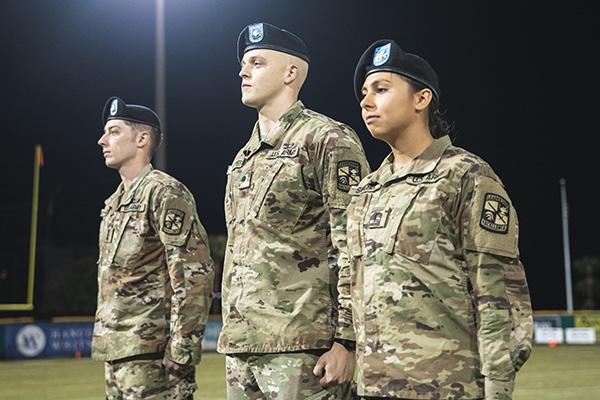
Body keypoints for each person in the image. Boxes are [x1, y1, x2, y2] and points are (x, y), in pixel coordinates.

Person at [337, 40, 533, 399]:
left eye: (381, 89)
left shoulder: (465, 175)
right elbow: (351, 290)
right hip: (370, 390)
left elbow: (498, 296)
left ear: (421, 99)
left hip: (447, 388)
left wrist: (499, 389)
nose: (366, 102)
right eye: (364, 93)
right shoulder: (364, 192)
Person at [217, 22, 370, 399]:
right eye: (243, 64)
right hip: (241, 346)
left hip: (304, 346)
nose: (243, 71)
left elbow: (354, 243)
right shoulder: (243, 159)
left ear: (291, 73)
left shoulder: (326, 138)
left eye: (256, 62)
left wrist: (346, 341)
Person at [93, 96, 215, 400]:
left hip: (155, 355)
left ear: (142, 139)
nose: (102, 140)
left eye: (114, 131)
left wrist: (183, 346)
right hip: (118, 352)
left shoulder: (164, 192)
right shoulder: (113, 203)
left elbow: (193, 272)